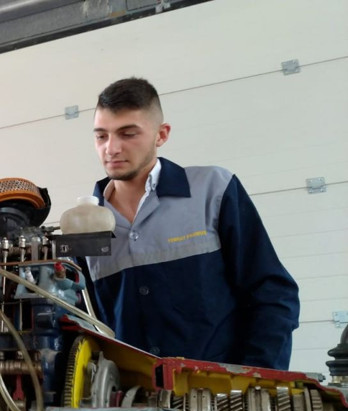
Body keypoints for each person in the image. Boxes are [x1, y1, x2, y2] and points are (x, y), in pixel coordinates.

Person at [83, 77, 299, 370]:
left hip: (219, 391)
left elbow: (273, 293)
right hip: (128, 394)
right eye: (101, 136)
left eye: (128, 134)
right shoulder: (84, 226)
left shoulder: (213, 190)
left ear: (161, 135)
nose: (111, 148)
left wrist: (255, 379)